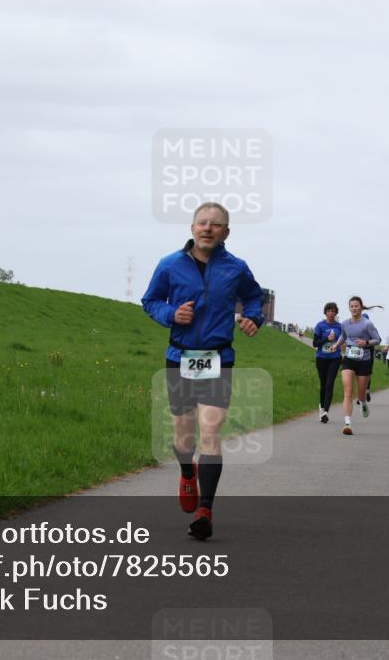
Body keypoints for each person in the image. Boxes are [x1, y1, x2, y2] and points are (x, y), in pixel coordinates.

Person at [142, 202, 264, 540]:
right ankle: (187, 472)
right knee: (184, 437)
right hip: (179, 357)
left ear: (226, 232)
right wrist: (171, 315)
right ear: (193, 228)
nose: (208, 228)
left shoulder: (236, 268)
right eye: (202, 223)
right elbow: (150, 301)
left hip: (218, 358)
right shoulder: (170, 265)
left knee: (210, 433)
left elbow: (255, 297)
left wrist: (254, 318)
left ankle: (205, 511)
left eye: (216, 224)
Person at [336, 298, 382, 435]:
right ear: (349, 308)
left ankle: (363, 403)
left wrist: (366, 342)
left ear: (361, 307)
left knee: (360, 395)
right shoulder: (345, 323)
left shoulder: (367, 324)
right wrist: (336, 345)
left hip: (364, 361)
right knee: (348, 392)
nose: (354, 308)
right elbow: (343, 336)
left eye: (356, 306)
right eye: (352, 306)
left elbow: (377, 340)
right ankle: (347, 424)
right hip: (349, 359)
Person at [312, 302, 342, 423]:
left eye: (333, 311)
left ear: (336, 313)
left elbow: (344, 340)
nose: (331, 313)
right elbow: (315, 343)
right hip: (321, 358)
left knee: (330, 384)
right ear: (325, 312)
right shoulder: (320, 325)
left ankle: (325, 411)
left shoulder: (340, 327)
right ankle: (321, 407)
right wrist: (327, 339)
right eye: (329, 311)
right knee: (323, 384)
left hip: (335, 358)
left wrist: (339, 343)